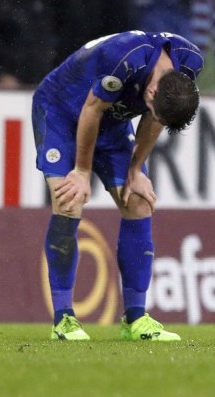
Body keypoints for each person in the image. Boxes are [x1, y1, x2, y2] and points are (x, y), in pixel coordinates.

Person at [32, 30, 202, 341]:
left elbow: (156, 117)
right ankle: (64, 318)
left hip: (110, 123)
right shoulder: (124, 59)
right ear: (150, 93)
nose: (155, 119)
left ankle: (135, 319)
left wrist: (136, 168)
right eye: (153, 111)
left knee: (138, 199)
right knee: (69, 200)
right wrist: (82, 171)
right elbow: (90, 110)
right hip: (61, 110)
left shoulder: (189, 62)